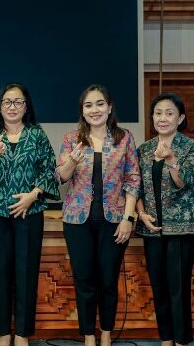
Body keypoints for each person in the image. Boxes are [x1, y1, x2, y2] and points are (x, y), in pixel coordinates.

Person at [0, 83, 59, 346]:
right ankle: (2, 333)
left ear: (26, 106)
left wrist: (33, 195)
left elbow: (49, 171)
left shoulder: (37, 135)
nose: (12, 107)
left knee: (26, 272)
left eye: (18, 102)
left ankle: (21, 333)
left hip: (30, 212)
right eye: (7, 102)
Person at [56, 84, 140, 346]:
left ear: (109, 107)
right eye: (89, 105)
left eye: (100, 104)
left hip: (114, 221)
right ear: (82, 111)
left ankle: (106, 334)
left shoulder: (124, 138)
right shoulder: (72, 139)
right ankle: (88, 337)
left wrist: (128, 218)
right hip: (77, 220)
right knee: (84, 280)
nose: (95, 110)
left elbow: (133, 179)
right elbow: (60, 177)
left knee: (108, 280)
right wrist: (72, 160)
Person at [136, 92, 194, 346]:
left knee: (178, 287)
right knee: (159, 286)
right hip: (152, 228)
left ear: (180, 118)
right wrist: (142, 214)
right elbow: (135, 186)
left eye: (169, 113)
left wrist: (172, 160)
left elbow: (185, 181)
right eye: (158, 113)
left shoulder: (190, 147)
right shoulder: (144, 149)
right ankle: (166, 338)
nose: (163, 118)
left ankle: (182, 340)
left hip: (182, 228)